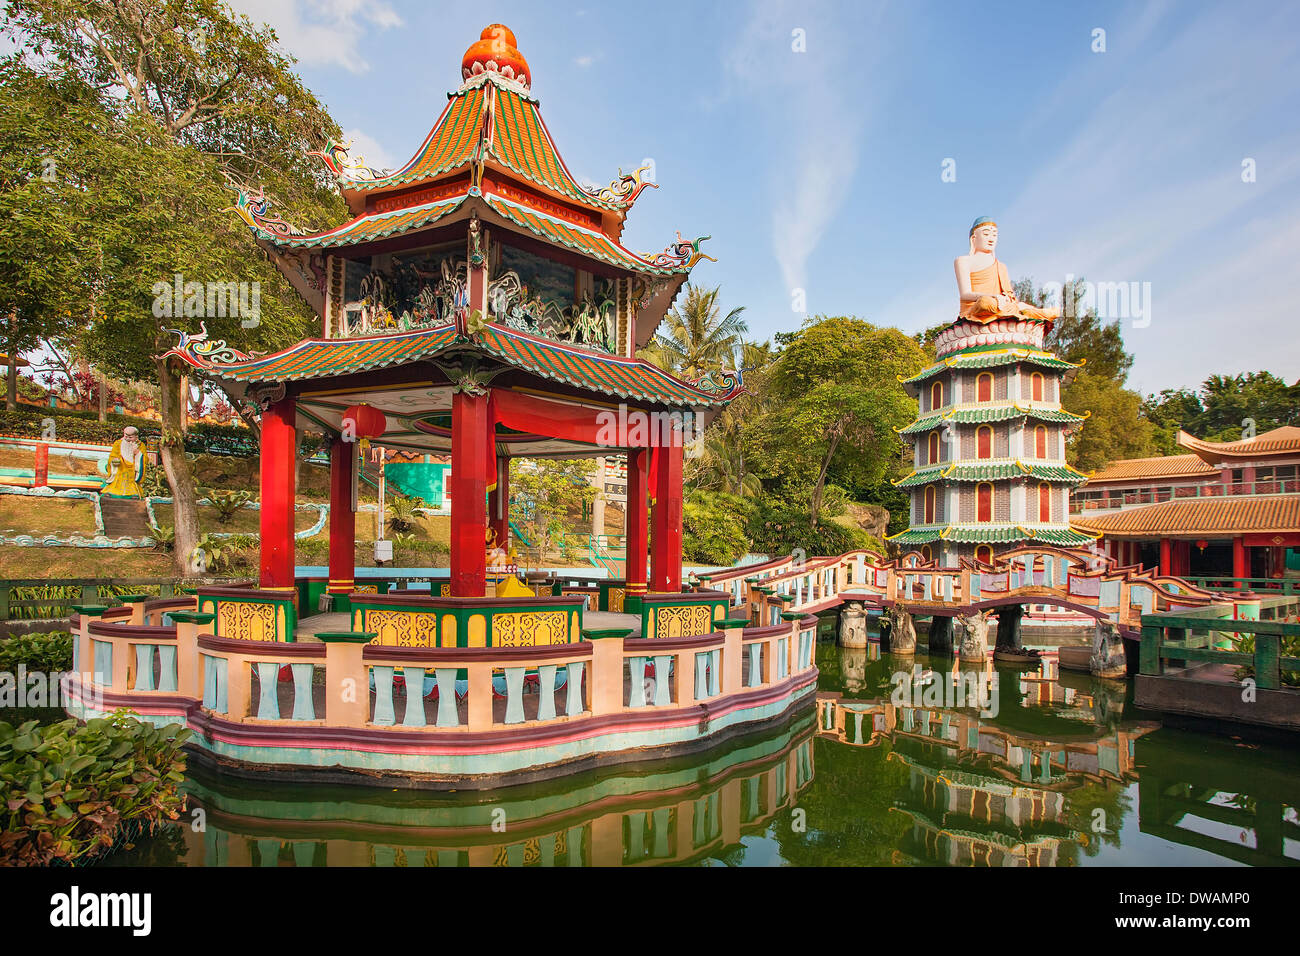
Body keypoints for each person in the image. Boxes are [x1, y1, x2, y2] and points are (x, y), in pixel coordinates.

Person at [954, 217, 1060, 322]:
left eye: (994, 235)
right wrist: (994, 296)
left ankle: (1028, 311)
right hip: (977, 307)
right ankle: (1018, 312)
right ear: (974, 238)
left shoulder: (1001, 266)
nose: (991, 239)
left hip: (1001, 305)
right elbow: (965, 294)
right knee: (985, 303)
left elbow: (1010, 296)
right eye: (986, 234)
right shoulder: (963, 261)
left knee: (1020, 307)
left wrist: (1010, 301)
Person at [103, 426, 146, 498]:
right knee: (117, 479)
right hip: (120, 468)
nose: (128, 439)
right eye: (126, 436)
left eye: (130, 437)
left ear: (136, 436)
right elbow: (113, 455)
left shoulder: (140, 445)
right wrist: (114, 461)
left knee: (132, 483)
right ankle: (112, 491)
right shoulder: (118, 443)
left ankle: (133, 493)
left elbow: (144, 459)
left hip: (132, 469)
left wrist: (138, 454)